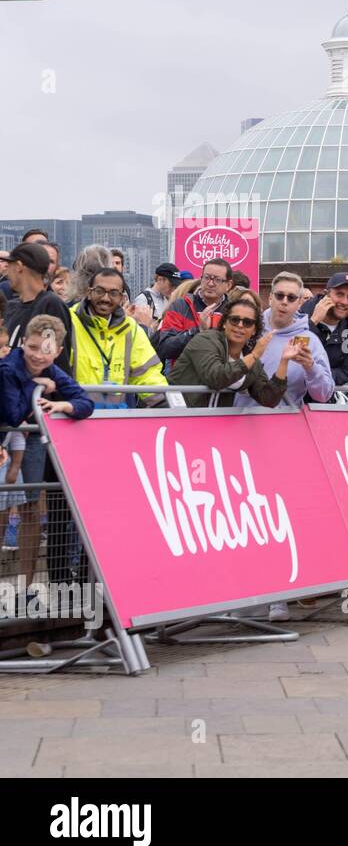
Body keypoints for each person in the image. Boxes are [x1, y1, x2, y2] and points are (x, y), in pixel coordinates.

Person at [0, 315, 93, 606]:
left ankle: (25, 589)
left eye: (46, 349)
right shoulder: (8, 368)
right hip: (8, 444)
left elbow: (84, 402)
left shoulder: (49, 368)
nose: (38, 355)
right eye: (33, 347)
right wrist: (38, 386)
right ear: (22, 343)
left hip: (23, 447)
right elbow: (12, 414)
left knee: (28, 510)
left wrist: (60, 401)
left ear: (58, 351)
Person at [168, 291, 292, 408]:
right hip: (176, 414)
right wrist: (254, 355)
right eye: (234, 320)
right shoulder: (205, 340)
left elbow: (268, 399)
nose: (240, 325)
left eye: (247, 322)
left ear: (254, 330)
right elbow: (216, 378)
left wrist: (284, 361)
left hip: (215, 422)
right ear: (224, 323)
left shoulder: (250, 358)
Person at [67, 267, 167, 407]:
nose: (106, 298)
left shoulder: (130, 328)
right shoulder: (68, 321)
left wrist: (165, 404)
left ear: (122, 297)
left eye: (113, 293)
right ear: (89, 293)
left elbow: (147, 375)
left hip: (116, 421)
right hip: (73, 419)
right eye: (99, 291)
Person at [236, 272, 334, 410]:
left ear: (300, 302)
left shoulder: (310, 341)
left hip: (284, 422)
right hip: (239, 419)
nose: (284, 301)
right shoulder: (246, 328)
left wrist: (310, 367)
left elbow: (324, 395)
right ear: (270, 297)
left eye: (291, 297)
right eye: (279, 295)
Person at [3, 243, 72, 371]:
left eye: (9, 266)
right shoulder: (11, 307)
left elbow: (57, 362)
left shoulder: (51, 304)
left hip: (40, 390)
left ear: (19, 267)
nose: (7, 273)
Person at [154, 257, 234, 364]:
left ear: (228, 285)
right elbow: (165, 348)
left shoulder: (233, 311)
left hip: (221, 377)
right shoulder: (181, 306)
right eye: (206, 277)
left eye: (217, 280)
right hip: (186, 379)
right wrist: (197, 331)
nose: (210, 283)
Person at [300, 271, 348, 385]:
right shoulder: (300, 315)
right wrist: (313, 322)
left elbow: (345, 371)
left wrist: (320, 378)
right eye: (339, 294)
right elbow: (293, 356)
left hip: (323, 395)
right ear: (326, 295)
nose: (344, 302)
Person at [132, 262, 183, 331]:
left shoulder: (167, 299)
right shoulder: (143, 299)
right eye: (171, 285)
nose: (173, 289)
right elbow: (136, 331)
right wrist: (152, 328)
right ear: (160, 279)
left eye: (175, 286)